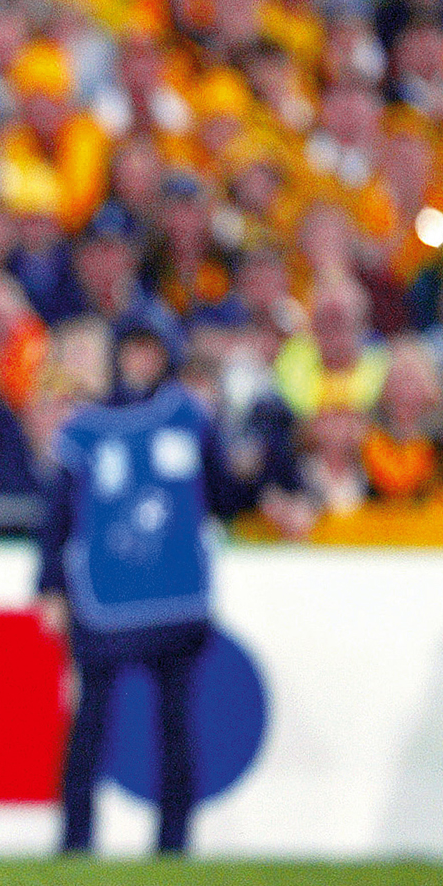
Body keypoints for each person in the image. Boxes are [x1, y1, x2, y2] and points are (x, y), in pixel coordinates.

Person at [38, 308, 277, 856]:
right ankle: (75, 841)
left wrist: (262, 455)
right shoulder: (82, 430)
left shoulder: (189, 418)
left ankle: (174, 845)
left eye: (151, 350)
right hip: (104, 596)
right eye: (132, 350)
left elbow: (225, 497)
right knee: (90, 726)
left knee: (176, 726)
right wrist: (51, 584)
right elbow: (57, 517)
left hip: (174, 595)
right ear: (118, 357)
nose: (141, 361)